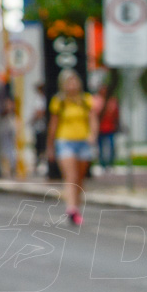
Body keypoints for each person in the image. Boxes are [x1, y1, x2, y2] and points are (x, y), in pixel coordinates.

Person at [46, 69, 97, 226]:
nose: (72, 85)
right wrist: (50, 146)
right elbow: (53, 125)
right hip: (64, 141)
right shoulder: (59, 101)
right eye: (69, 82)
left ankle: (77, 208)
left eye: (74, 81)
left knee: (80, 178)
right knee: (71, 177)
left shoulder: (85, 100)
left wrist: (93, 135)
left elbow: (92, 119)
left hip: (82, 141)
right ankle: (71, 209)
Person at [95, 81, 121, 171]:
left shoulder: (112, 100)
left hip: (110, 128)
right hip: (100, 128)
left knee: (111, 147)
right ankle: (103, 164)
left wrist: (118, 125)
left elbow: (116, 114)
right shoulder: (96, 100)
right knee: (101, 147)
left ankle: (110, 164)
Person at [30, 82, 48, 172]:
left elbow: (39, 112)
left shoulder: (41, 99)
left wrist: (32, 120)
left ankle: (42, 163)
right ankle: (39, 163)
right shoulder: (39, 98)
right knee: (38, 145)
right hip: (39, 126)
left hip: (41, 126)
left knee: (41, 145)